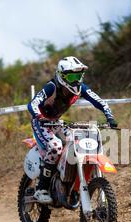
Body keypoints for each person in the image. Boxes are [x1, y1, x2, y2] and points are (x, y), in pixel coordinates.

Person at [27, 56, 117, 203]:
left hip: (56, 122)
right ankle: (41, 188)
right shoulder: (52, 87)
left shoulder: (80, 88)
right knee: (55, 147)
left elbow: (99, 101)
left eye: (79, 76)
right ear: (62, 76)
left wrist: (109, 116)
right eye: (73, 76)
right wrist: (38, 115)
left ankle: (68, 183)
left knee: (75, 143)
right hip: (41, 123)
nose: (76, 80)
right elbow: (33, 103)